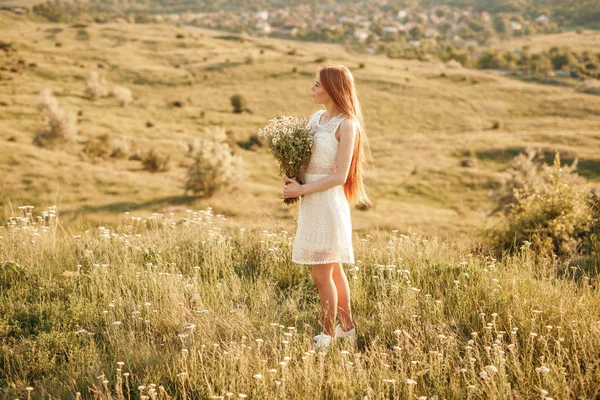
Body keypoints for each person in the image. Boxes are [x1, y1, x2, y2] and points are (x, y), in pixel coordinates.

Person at [280, 64, 372, 352]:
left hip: (328, 204)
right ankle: (348, 330)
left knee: (321, 275)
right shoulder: (316, 118)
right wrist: (293, 176)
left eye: (317, 83)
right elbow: (309, 160)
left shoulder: (347, 125)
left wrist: (302, 189)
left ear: (332, 88)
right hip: (311, 202)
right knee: (333, 271)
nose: (312, 88)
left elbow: (339, 176)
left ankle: (329, 335)